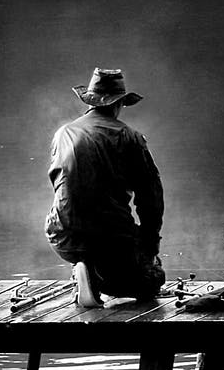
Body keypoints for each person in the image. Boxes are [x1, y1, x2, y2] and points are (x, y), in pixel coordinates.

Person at [45, 68, 165, 308]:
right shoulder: (130, 137)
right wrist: (150, 247)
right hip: (111, 239)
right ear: (119, 104)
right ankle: (98, 278)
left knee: (97, 245)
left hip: (62, 235)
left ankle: (83, 271)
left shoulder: (62, 134)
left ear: (89, 101)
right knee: (152, 281)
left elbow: (62, 187)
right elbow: (150, 198)